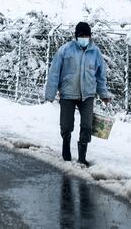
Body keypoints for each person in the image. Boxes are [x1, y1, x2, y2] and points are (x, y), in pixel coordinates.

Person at [45, 22, 112, 167]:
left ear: (90, 36)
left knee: (87, 125)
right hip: (68, 94)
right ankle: (66, 146)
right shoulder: (65, 50)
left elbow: (101, 76)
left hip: (87, 95)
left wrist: (103, 93)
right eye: (81, 35)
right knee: (67, 125)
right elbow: (54, 72)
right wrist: (50, 94)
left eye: (87, 35)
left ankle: (82, 156)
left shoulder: (95, 52)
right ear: (76, 37)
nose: (84, 38)